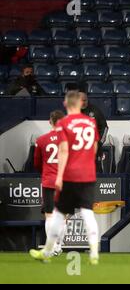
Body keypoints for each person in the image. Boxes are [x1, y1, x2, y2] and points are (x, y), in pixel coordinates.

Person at [29, 90, 100, 265]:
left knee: (56, 214)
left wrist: (60, 175)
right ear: (81, 103)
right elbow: (95, 148)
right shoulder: (91, 122)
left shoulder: (64, 123)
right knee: (87, 212)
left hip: (69, 174)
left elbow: (63, 150)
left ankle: (48, 250)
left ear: (66, 104)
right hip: (88, 173)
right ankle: (94, 251)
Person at [34, 110, 66, 256]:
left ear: (50, 122)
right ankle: (58, 246)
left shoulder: (41, 140)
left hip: (48, 181)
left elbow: (36, 163)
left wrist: (46, 171)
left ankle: (51, 247)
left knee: (49, 215)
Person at [79, 91, 108, 173]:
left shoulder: (95, 111)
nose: (83, 102)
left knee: (96, 172)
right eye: (81, 100)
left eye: (85, 100)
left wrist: (100, 142)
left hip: (94, 149)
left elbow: (104, 127)